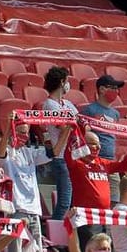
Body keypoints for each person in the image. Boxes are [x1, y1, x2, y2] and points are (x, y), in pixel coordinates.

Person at [55, 127, 127, 252]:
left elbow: (123, 166)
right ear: (83, 144)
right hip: (87, 217)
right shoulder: (76, 163)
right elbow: (68, 153)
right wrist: (76, 131)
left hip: (105, 216)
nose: (97, 147)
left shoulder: (102, 163)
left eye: (98, 144)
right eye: (93, 144)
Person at [0, 111, 50, 252]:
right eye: (21, 132)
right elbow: (0, 153)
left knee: (37, 248)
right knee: (15, 248)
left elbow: (52, 153)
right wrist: (7, 129)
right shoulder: (5, 153)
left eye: (27, 132)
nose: (25, 136)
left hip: (33, 208)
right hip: (15, 206)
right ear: (13, 132)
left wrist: (66, 131)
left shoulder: (30, 153)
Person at [80, 74, 126, 202]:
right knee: (95, 197)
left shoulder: (115, 113)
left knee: (114, 199)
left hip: (111, 163)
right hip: (94, 161)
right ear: (101, 89)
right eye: (113, 88)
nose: (116, 92)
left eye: (117, 89)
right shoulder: (89, 110)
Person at [41, 65, 79, 219]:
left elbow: (82, 124)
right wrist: (72, 124)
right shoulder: (50, 104)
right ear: (62, 82)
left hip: (72, 155)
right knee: (64, 200)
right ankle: (55, 232)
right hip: (60, 156)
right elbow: (63, 126)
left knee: (72, 201)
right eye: (67, 80)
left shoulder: (67, 104)